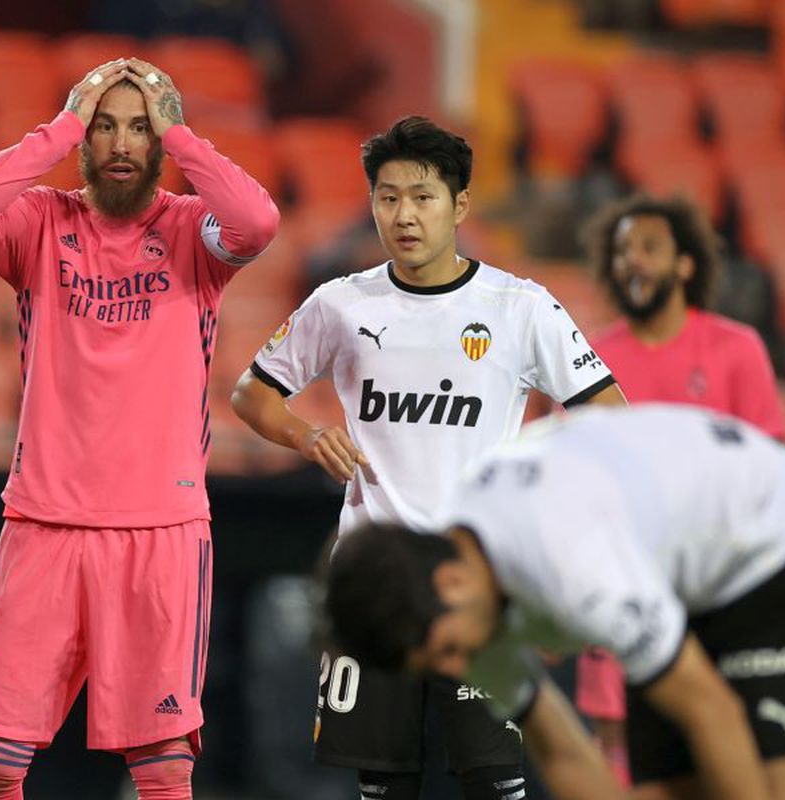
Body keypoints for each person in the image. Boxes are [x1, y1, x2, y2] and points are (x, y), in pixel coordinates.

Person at [231, 115, 626, 800]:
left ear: (460, 205)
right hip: (373, 578)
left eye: (422, 197)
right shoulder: (341, 303)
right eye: (387, 198)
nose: (404, 215)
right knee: (382, 784)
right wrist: (306, 435)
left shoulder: (520, 307)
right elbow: (252, 394)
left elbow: (609, 414)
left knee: (496, 780)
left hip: (475, 577)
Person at [0, 57, 279, 799]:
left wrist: (183, 136)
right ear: (82, 139)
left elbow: (257, 222)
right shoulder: (40, 223)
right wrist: (58, 127)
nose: (122, 143)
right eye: (104, 127)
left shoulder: (193, 233)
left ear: (161, 139)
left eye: (139, 127)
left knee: (162, 771)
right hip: (43, 526)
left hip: (160, 529)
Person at [326, 404, 785, 800]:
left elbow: (711, 711)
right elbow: (562, 755)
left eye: (445, 651)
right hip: (673, 564)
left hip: (779, 540)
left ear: (451, 582)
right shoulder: (461, 599)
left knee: (758, 789)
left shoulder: (572, 567)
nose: (452, 669)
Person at [577, 193, 785, 780]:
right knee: (617, 755)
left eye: (649, 248)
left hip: (713, 586)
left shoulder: (737, 349)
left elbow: (769, 468)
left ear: (685, 264)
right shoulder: (588, 357)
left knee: (716, 749)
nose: (632, 262)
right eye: (622, 251)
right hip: (618, 582)